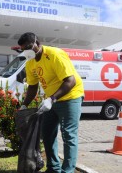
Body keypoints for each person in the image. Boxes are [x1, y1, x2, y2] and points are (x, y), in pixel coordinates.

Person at [18, 32, 84, 173]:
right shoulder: (30, 62)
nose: (27, 51)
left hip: (70, 97)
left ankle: (68, 170)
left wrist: (51, 99)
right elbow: (33, 86)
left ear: (37, 43)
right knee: (47, 133)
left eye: (29, 47)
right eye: (24, 48)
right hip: (51, 100)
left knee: (68, 135)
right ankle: (53, 168)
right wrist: (24, 105)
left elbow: (70, 81)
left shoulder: (55, 54)